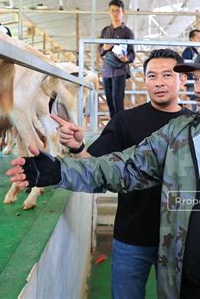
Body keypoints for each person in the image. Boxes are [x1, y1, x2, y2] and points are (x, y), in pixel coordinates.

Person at [8, 38, 200, 299]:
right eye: (196, 79)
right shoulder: (179, 135)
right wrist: (59, 171)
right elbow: (123, 169)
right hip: (184, 290)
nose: (197, 88)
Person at [51, 49, 190, 299]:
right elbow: (94, 168)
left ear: (182, 79)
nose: (159, 82)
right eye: (152, 76)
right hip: (132, 235)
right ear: (144, 80)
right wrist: (77, 147)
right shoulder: (125, 122)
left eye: (167, 75)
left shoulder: (196, 125)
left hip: (180, 239)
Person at [98, 0, 135, 118]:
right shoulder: (105, 31)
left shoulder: (127, 32)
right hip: (106, 70)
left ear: (123, 12)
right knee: (109, 100)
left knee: (117, 99)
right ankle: (112, 127)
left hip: (120, 70)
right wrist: (104, 48)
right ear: (109, 12)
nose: (115, 13)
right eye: (112, 11)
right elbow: (99, 50)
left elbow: (132, 53)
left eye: (118, 11)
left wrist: (126, 58)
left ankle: (120, 128)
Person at [182, 29, 200, 111]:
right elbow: (184, 68)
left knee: (197, 102)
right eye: (198, 38)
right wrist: (185, 85)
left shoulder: (195, 52)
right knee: (195, 102)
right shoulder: (188, 51)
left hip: (194, 82)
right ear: (191, 39)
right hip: (190, 83)